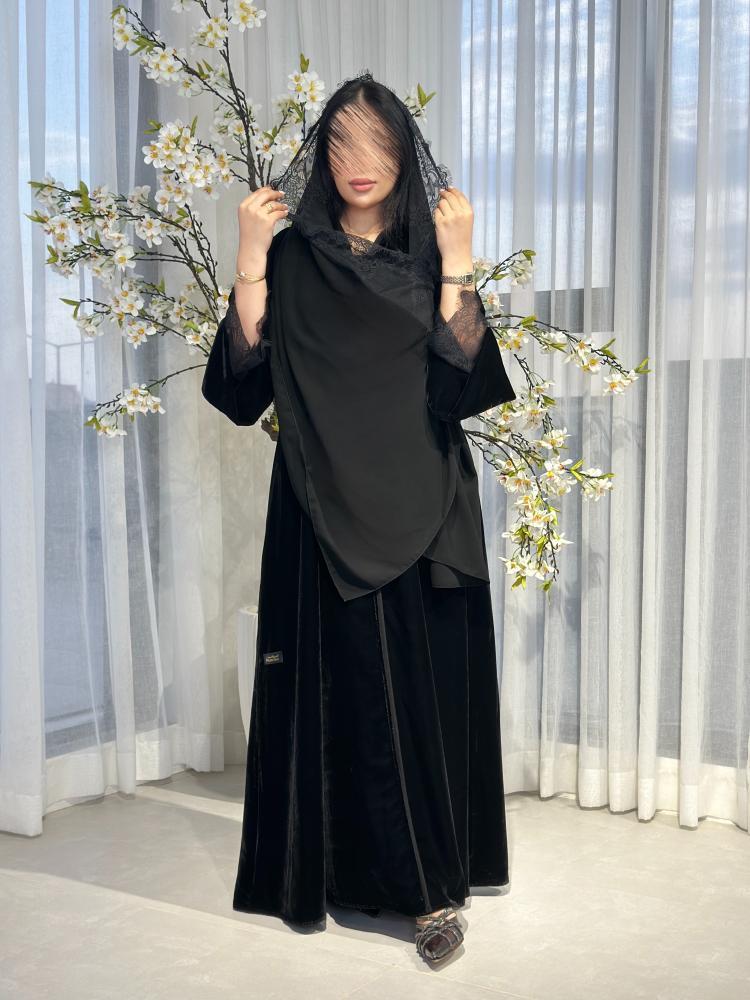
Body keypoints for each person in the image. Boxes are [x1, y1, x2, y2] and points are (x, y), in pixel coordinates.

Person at [201, 71, 516, 967]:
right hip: (319, 503)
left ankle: (430, 892)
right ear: (320, 156)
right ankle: (340, 873)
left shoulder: (426, 255)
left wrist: (459, 260)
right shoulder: (294, 256)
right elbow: (241, 392)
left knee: (412, 696)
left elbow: (462, 388)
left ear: (405, 153)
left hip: (421, 504)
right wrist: (249, 255)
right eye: (340, 142)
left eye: (377, 142)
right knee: (343, 695)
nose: (358, 161)